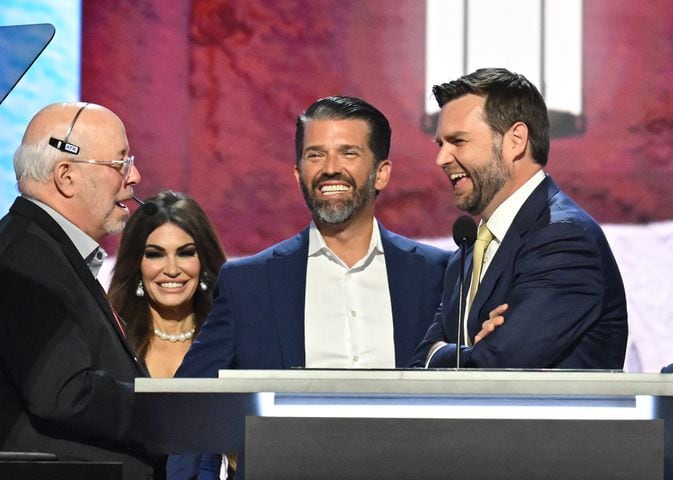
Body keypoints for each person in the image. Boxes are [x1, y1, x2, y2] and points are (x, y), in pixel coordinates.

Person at [169, 95, 449, 478]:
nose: (330, 169)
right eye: (316, 155)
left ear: (381, 173)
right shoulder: (249, 283)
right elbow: (188, 407)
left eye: (348, 153)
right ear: (298, 173)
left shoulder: (437, 274)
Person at [408, 68, 628, 369]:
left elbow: (496, 368)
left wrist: (444, 353)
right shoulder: (469, 250)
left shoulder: (564, 239)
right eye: (440, 144)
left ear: (516, 141)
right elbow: (418, 363)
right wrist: (465, 350)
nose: (442, 158)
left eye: (458, 141)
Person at [0, 102, 164, 479]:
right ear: (66, 176)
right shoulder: (25, 259)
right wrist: (171, 412)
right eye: (120, 163)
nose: (135, 175)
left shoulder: (44, 250)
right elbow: (65, 393)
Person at [108, 190, 226, 378]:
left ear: (203, 260)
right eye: (155, 254)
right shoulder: (110, 340)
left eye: (185, 253)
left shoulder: (230, 340)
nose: (172, 270)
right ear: (136, 264)